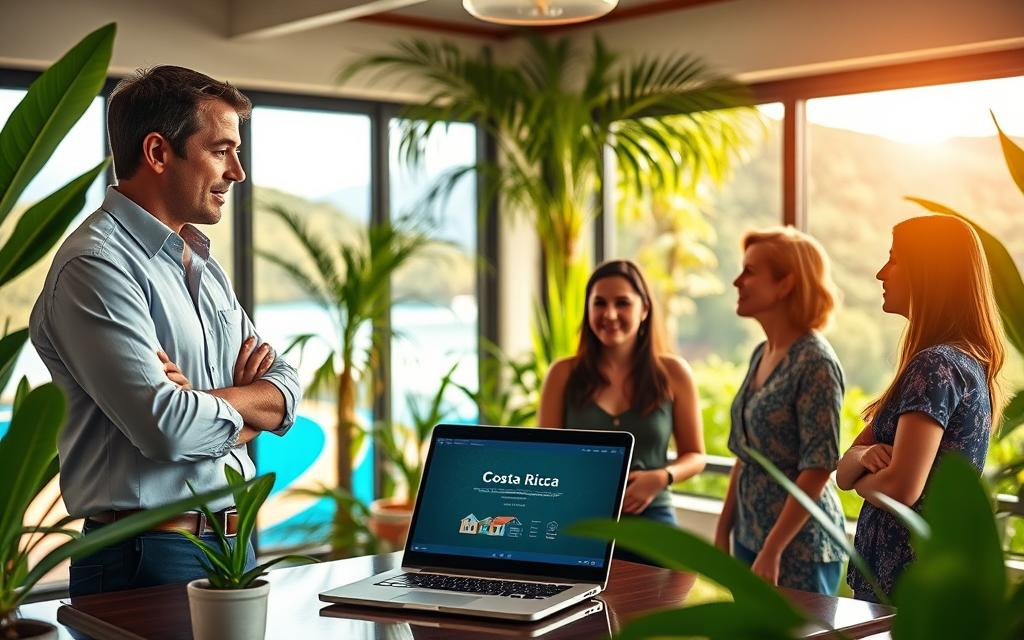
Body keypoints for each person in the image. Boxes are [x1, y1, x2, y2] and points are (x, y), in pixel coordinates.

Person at [29, 66, 301, 597]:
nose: (238, 172)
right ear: (158, 153)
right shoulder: (96, 265)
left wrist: (201, 400)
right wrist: (246, 416)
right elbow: (166, 428)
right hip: (143, 556)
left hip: (234, 544)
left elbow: (286, 389)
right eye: (221, 151)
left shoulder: (199, 261)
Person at [837, 215, 1004, 602]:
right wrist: (863, 456)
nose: (882, 273)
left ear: (930, 272)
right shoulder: (959, 363)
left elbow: (900, 488)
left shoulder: (937, 366)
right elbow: (842, 470)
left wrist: (863, 478)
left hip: (908, 593)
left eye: (894, 259)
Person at [714, 227, 848, 595]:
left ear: (786, 284)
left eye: (750, 271)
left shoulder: (816, 363)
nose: (737, 281)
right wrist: (723, 530)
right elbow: (746, 455)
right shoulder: (762, 353)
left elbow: (818, 467)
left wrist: (773, 549)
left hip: (798, 549)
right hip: (750, 536)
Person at [538, 260, 705, 552]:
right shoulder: (562, 374)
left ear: (644, 310)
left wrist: (661, 477)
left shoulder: (675, 373)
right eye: (599, 303)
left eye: (623, 303)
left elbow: (695, 456)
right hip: (579, 519)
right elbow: (547, 456)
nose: (610, 314)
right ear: (588, 309)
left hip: (652, 517)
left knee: (663, 597)